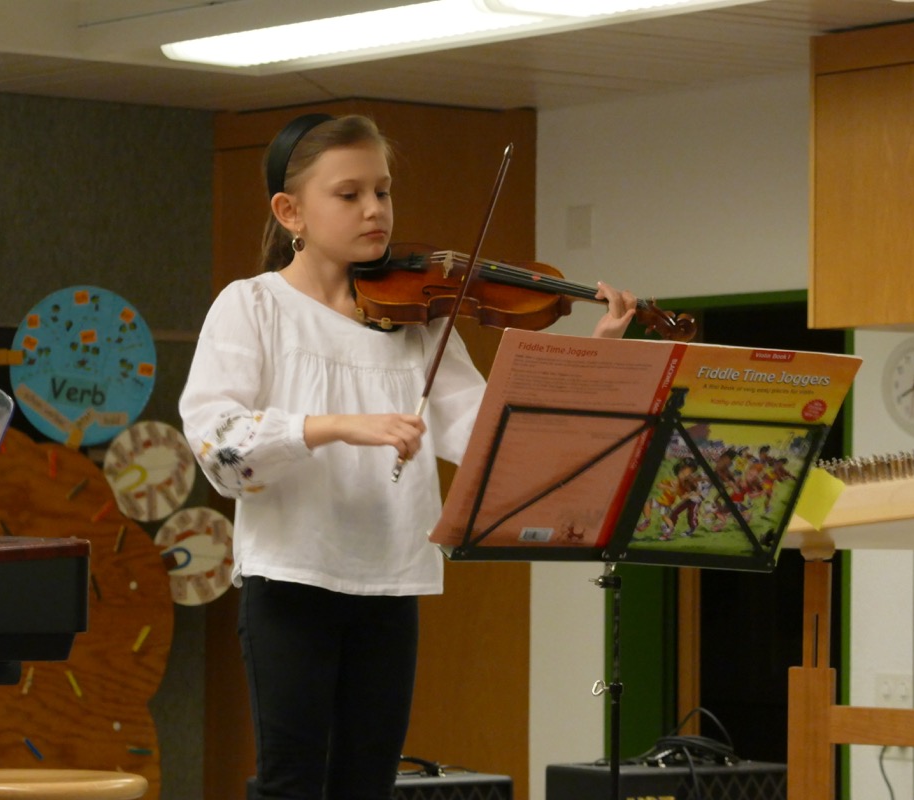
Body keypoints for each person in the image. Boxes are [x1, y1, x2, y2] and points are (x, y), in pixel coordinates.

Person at [178, 113, 636, 800]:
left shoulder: (416, 320)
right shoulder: (253, 306)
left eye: (383, 191)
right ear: (290, 211)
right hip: (292, 580)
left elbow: (490, 436)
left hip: (390, 584)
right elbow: (220, 448)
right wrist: (336, 426)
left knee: (367, 786)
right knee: (290, 784)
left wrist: (591, 362)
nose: (375, 210)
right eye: (349, 194)